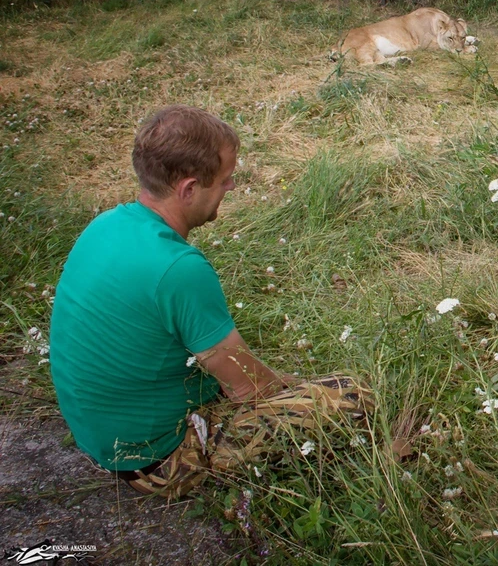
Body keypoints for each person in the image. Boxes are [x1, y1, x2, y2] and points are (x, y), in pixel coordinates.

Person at [49, 105, 370, 499]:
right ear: (188, 189)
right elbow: (249, 389)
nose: (231, 187)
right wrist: (302, 391)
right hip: (157, 463)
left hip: (104, 438)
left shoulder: (105, 226)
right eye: (225, 179)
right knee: (353, 394)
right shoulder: (177, 269)